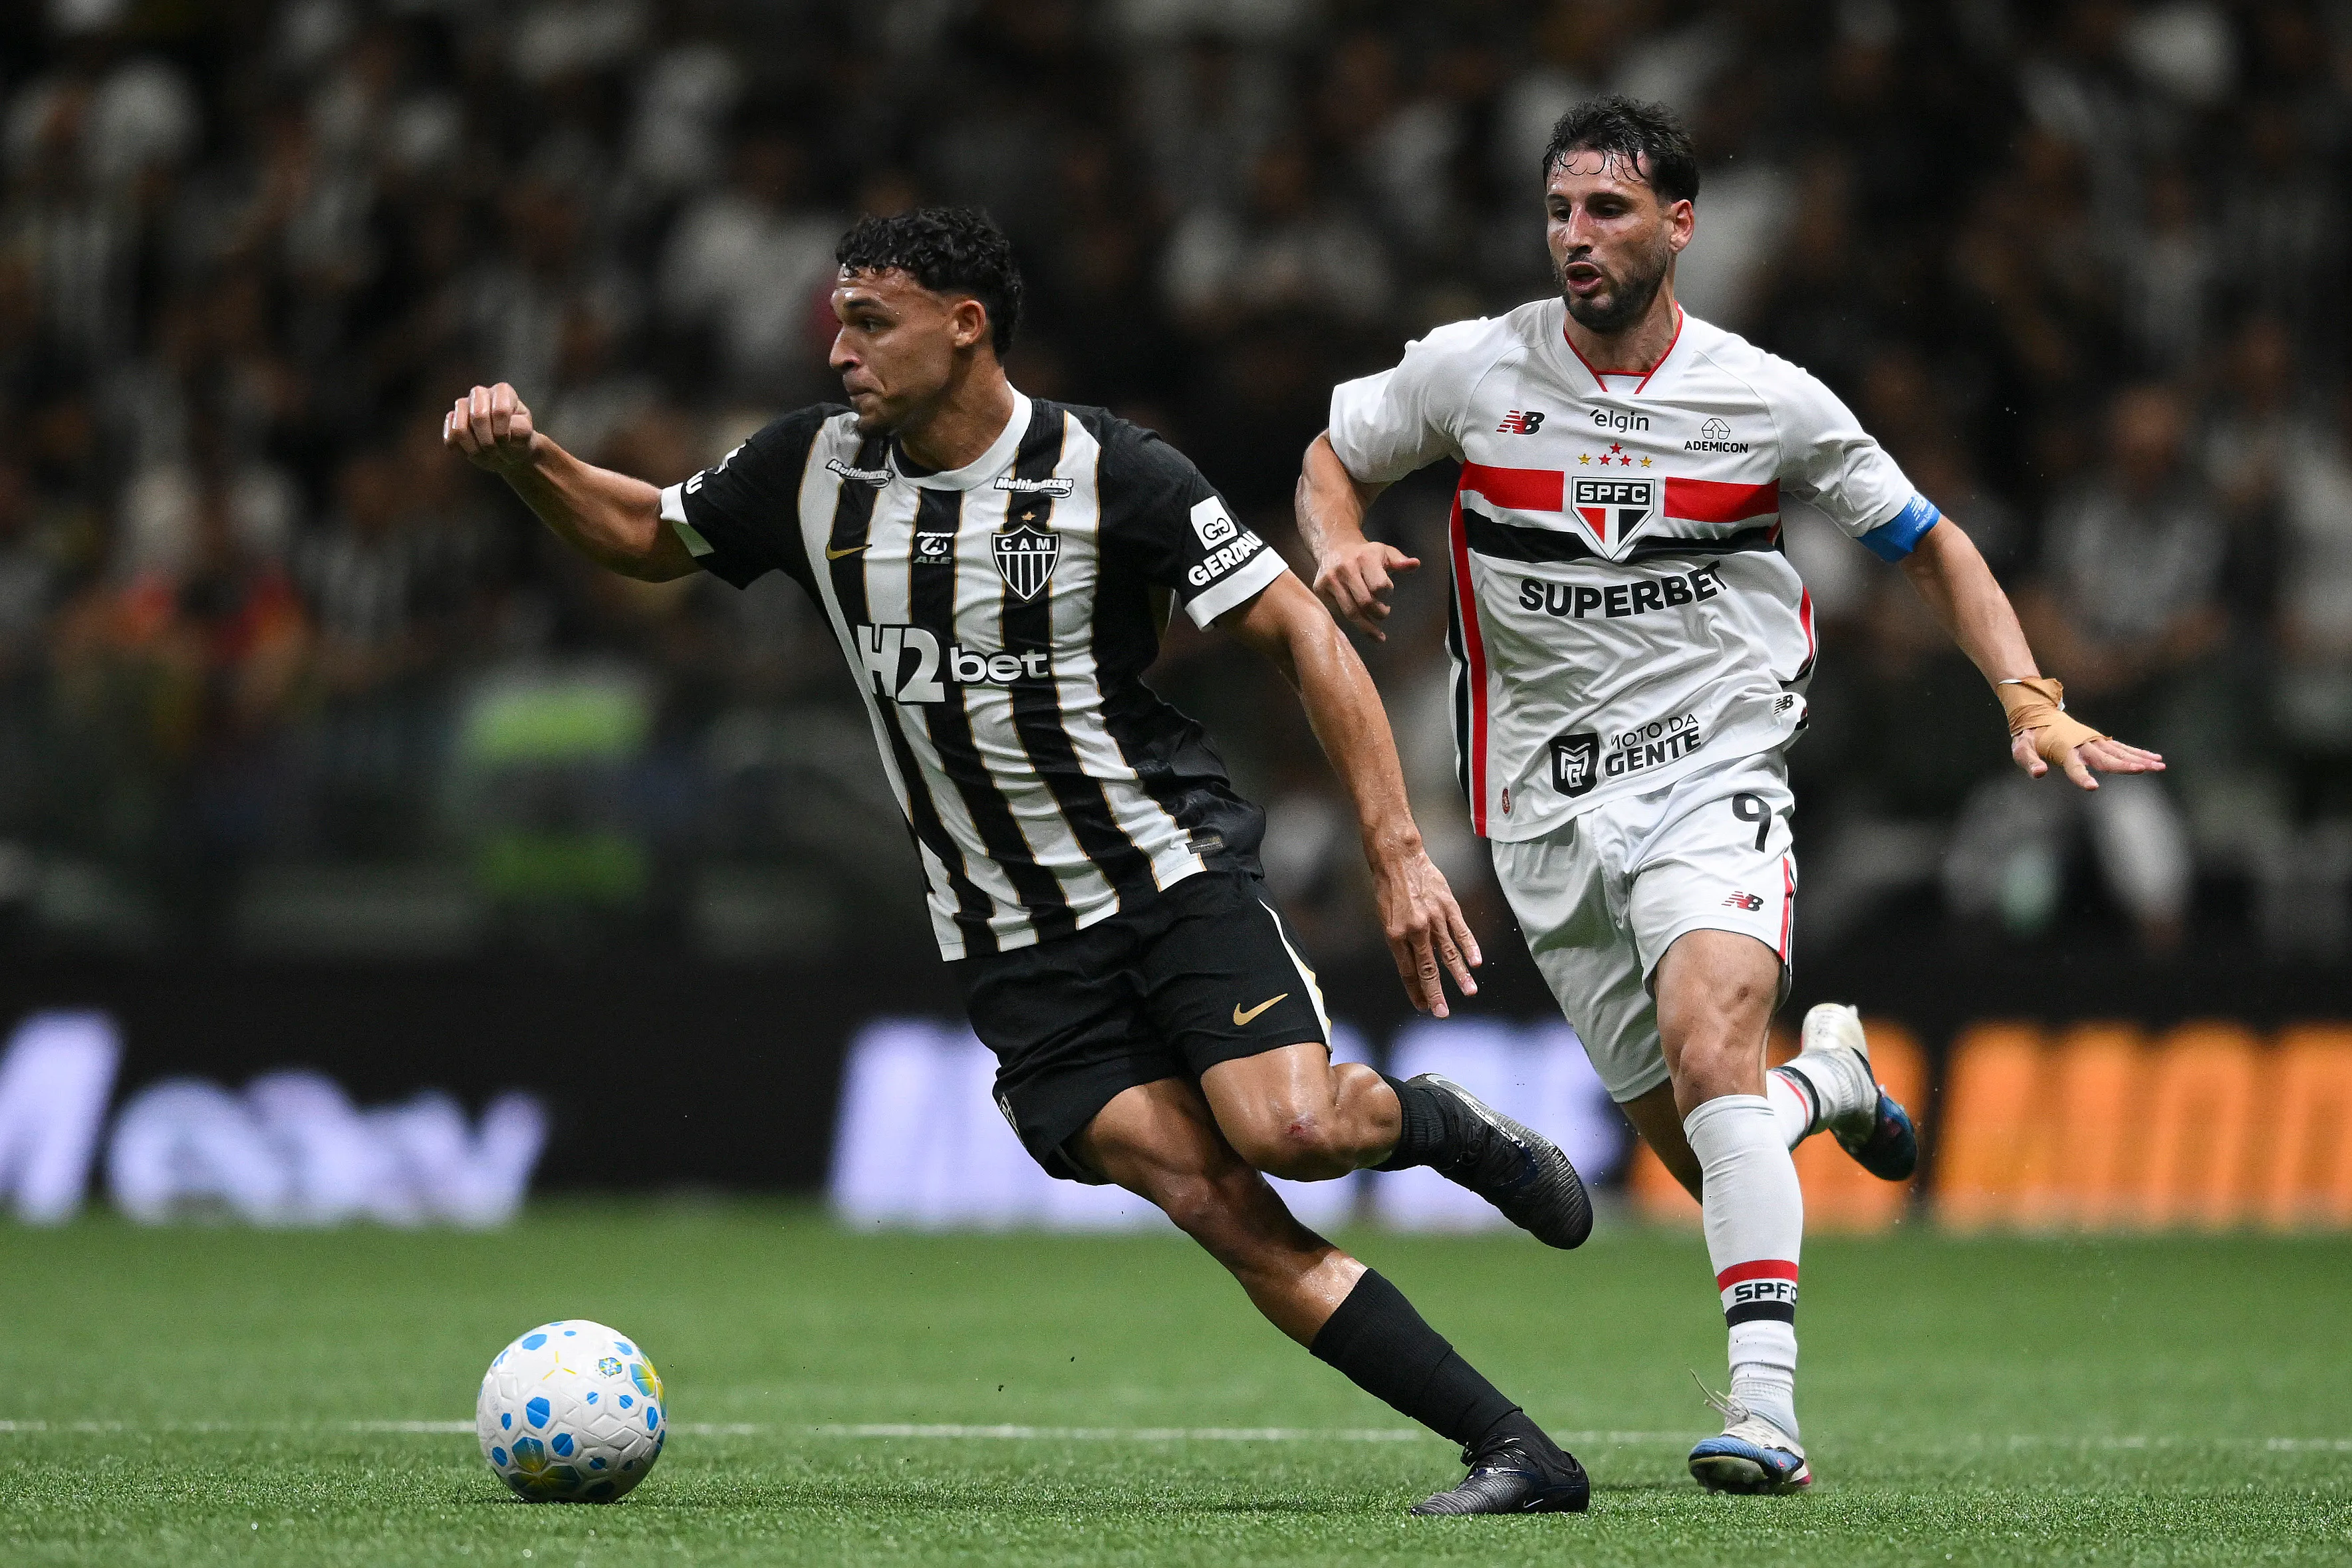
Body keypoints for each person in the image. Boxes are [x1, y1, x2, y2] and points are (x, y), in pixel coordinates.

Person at [446, 207, 1593, 1515]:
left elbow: (1303, 634)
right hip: (1010, 942)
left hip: (1165, 873)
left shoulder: (1115, 473)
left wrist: (1397, 853)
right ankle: (1515, 1453)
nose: (840, 352)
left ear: (964, 325)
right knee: (1218, 1206)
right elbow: (652, 533)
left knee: (1292, 1128)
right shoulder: (805, 471)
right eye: (837, 322)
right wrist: (530, 459)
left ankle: (1435, 1122)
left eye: (869, 322)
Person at [1294, 97, 2164, 1495]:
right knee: (1708, 1146)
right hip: (1539, 818)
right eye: (1559, 211)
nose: (1575, 238)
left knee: (1709, 1053)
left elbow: (1929, 545)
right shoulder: (1473, 370)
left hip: (1711, 772)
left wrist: (2025, 695)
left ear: (1679, 224)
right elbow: (1332, 459)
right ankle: (1831, 1078)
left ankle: (1765, 1416)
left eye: (1609, 212)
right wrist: (1335, 542)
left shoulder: (1767, 399)